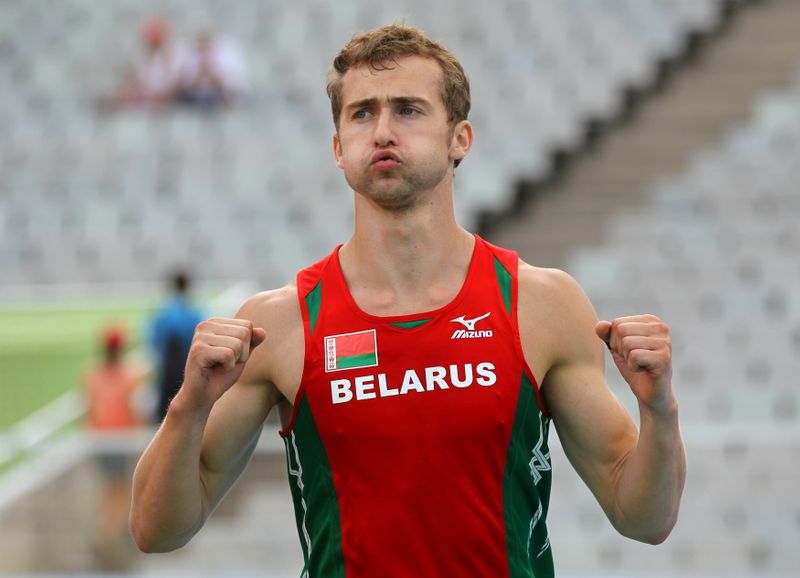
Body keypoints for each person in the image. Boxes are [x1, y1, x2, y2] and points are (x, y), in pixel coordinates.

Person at [130, 24, 686, 577]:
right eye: (362, 113)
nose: (383, 131)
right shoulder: (279, 323)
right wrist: (188, 405)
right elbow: (158, 529)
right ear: (338, 148)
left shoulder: (539, 303)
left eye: (409, 109)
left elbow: (643, 517)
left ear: (459, 138)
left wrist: (659, 411)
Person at [85, 326, 142, 567]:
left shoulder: (93, 374)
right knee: (119, 492)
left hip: (100, 439)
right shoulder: (131, 374)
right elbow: (133, 409)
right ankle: (109, 535)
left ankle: (106, 532)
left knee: (111, 490)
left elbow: (90, 409)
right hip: (119, 440)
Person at [149, 270, 205, 423]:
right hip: (189, 373)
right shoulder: (196, 314)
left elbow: (155, 345)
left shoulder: (163, 315)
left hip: (167, 374)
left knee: (163, 419)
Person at [104, 16, 182, 111]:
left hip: (164, 100)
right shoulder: (141, 58)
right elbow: (133, 81)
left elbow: (176, 84)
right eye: (152, 41)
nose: (154, 45)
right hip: (145, 98)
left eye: (156, 41)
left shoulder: (175, 56)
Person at [175, 29, 248, 109]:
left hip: (216, 99)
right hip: (195, 99)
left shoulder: (223, 60)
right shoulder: (189, 59)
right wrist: (200, 73)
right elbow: (185, 88)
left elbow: (226, 88)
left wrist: (210, 71)